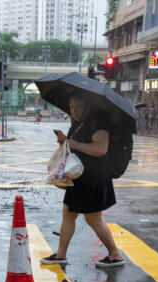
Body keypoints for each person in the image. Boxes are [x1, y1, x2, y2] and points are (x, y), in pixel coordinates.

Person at [41, 92, 125, 269]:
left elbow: (101, 149)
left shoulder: (98, 123)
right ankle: (61, 254)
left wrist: (74, 144)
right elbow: (75, 145)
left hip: (94, 178)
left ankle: (115, 254)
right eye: (72, 107)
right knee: (70, 213)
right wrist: (65, 141)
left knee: (93, 219)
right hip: (82, 178)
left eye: (78, 106)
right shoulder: (80, 123)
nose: (75, 110)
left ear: (87, 106)